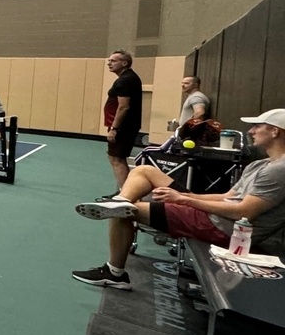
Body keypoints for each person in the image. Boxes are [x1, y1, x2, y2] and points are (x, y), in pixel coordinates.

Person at [71, 108, 285, 290]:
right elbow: (227, 196)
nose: (251, 131)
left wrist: (185, 201)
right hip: (215, 215)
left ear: (275, 131)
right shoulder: (260, 164)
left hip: (224, 228)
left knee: (124, 212)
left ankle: (115, 273)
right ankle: (120, 200)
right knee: (145, 170)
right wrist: (185, 195)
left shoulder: (279, 170)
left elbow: (244, 212)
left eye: (258, 126)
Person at [103, 49, 143, 188]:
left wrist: (114, 128)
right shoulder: (129, 78)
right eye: (109, 61)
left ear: (124, 63)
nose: (109, 63)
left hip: (123, 127)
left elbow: (123, 107)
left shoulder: (125, 80)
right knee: (117, 158)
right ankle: (125, 191)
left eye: (113, 61)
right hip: (126, 126)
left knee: (116, 158)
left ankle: (126, 194)